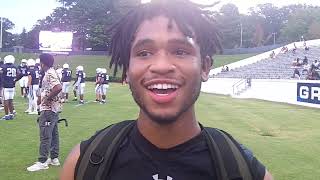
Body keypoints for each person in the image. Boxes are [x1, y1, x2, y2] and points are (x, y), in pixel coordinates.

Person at [61, 1, 273, 180]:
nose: (161, 66)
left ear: (205, 67)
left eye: (180, 51)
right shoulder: (83, 164)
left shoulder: (245, 171)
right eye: (144, 53)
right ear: (127, 71)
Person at [27, 53, 62, 172]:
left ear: (42, 62)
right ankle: (54, 158)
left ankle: (42, 161)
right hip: (54, 109)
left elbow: (58, 87)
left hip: (48, 109)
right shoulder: (53, 72)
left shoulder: (50, 73)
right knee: (54, 134)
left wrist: (46, 99)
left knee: (45, 135)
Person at [0, 55, 19, 120]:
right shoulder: (15, 67)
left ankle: (6, 115)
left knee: (5, 100)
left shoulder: (3, 67)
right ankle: (11, 114)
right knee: (10, 100)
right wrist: (15, 80)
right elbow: (20, 74)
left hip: (5, 86)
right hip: (12, 86)